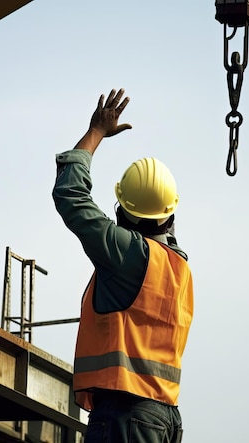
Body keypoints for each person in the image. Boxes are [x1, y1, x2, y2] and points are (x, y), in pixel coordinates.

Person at [52, 88, 193, 443]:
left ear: (123, 211)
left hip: (125, 416)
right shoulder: (179, 268)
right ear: (169, 213)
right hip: (164, 418)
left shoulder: (130, 254)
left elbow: (72, 195)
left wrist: (96, 132)